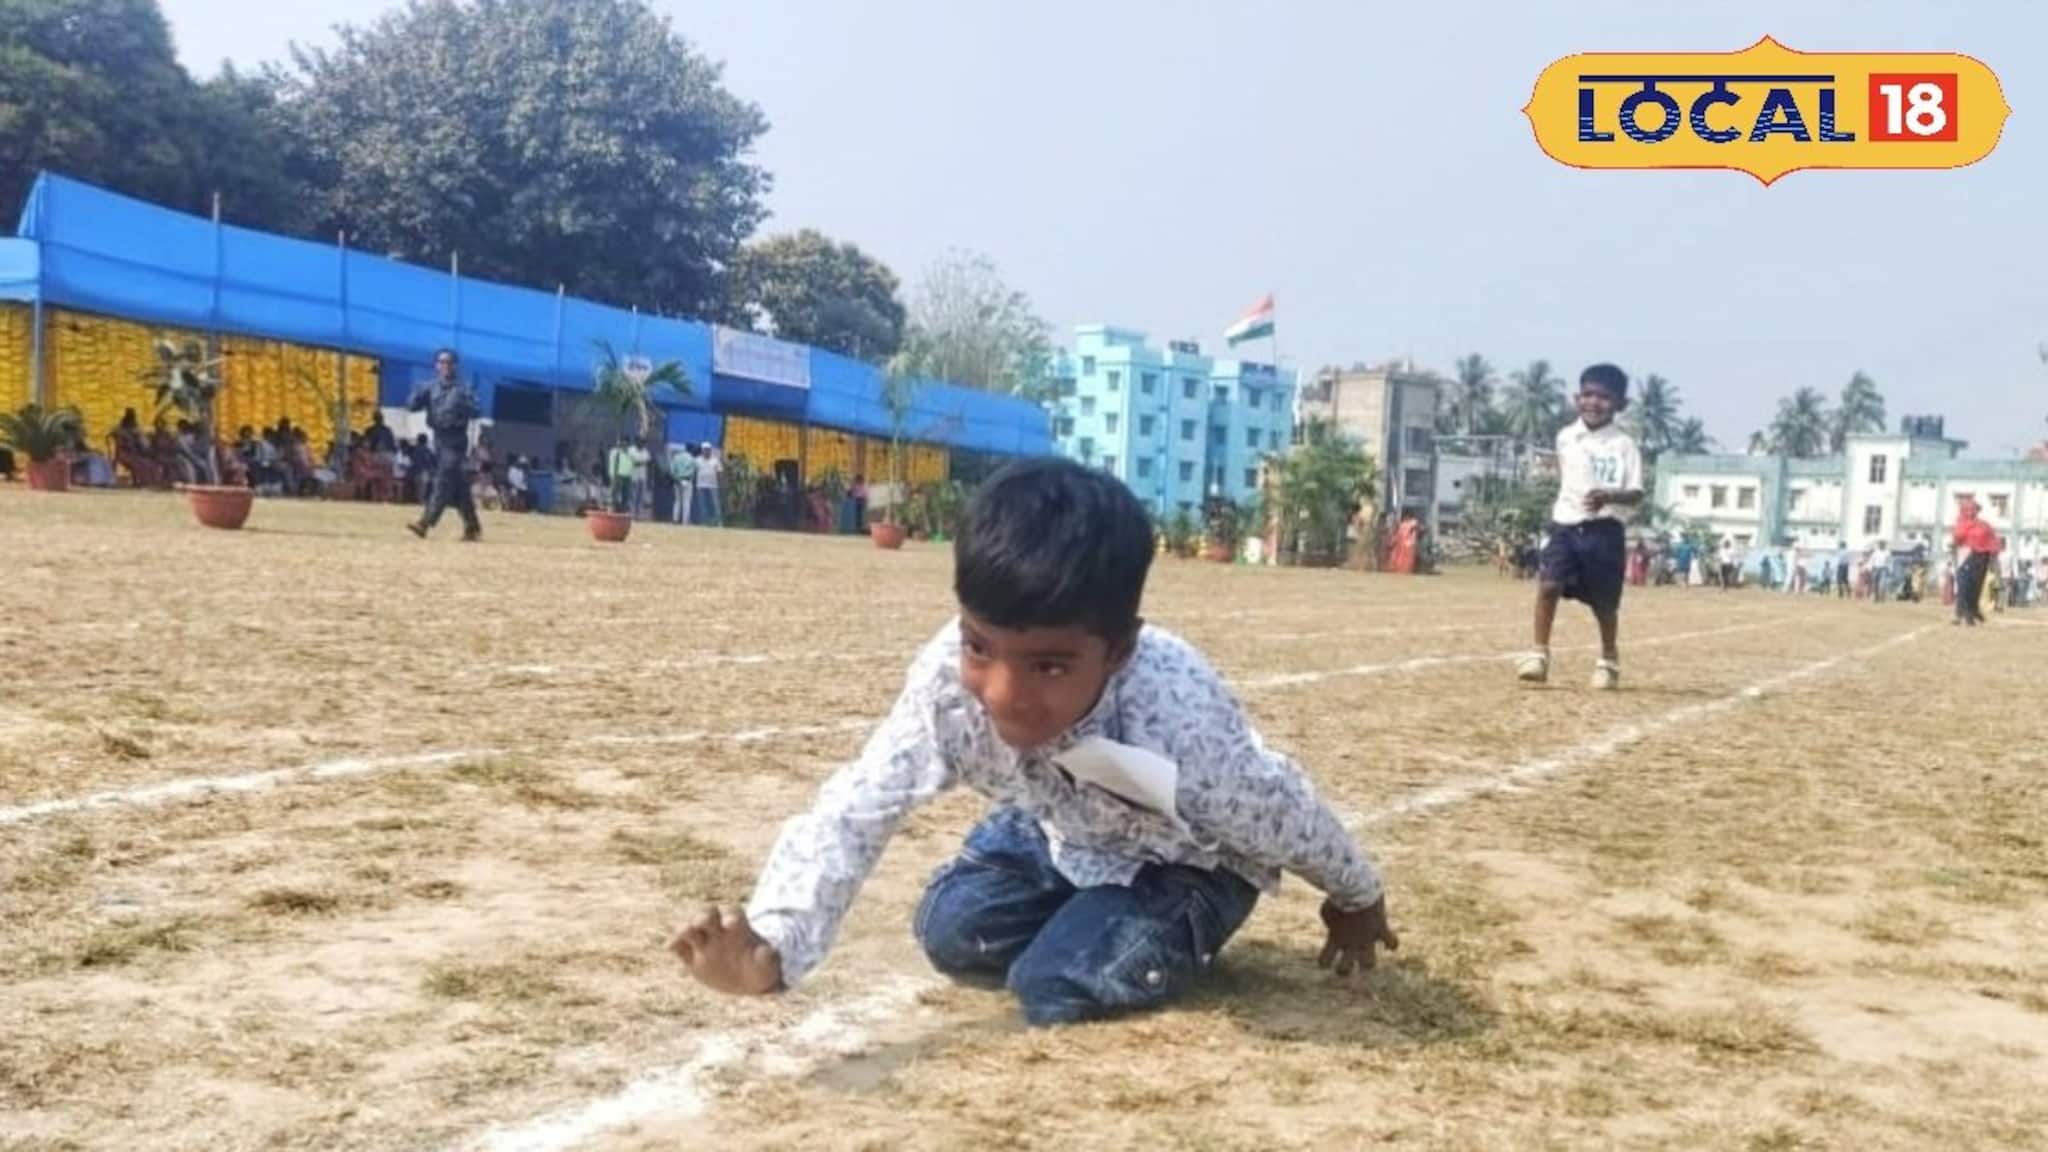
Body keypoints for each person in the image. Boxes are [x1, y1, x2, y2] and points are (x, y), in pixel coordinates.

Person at [668, 457, 1399, 1026]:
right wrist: (774, 946)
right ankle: (1083, 909)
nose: (1005, 695)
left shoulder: (1176, 729)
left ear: (1117, 653)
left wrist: (1357, 893)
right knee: (949, 933)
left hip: (1181, 860)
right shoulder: (947, 692)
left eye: (1048, 665)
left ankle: (1163, 929)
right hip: (1060, 825)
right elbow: (858, 806)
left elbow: (1277, 806)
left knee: (1050, 985)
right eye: (980, 646)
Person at [1517, 364, 1643, 690]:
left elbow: (1637, 493)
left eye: (1604, 397)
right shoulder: (1566, 437)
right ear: (1577, 398)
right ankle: (1538, 654)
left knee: (1604, 604)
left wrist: (1610, 495)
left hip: (1605, 530)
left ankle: (1608, 659)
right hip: (1566, 524)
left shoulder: (1624, 445)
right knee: (1548, 586)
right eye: (1588, 394)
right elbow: (1568, 478)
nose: (1594, 402)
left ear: (1620, 404)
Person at [406, 348, 484, 541]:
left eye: (449, 362)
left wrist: (465, 405)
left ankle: (424, 523)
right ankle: (472, 527)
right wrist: (416, 395)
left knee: (442, 481)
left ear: (455, 366)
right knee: (458, 488)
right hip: (438, 440)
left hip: (456, 441)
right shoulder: (430, 388)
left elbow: (477, 411)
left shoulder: (463, 389)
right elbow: (411, 406)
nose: (445, 366)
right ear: (436, 365)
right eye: (441, 362)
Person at [1951, 497, 1996, 626]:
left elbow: (1992, 540)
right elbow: (1957, 537)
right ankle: (1963, 613)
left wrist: (1992, 556)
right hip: (1966, 555)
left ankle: (1972, 610)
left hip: (1982, 556)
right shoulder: (1961, 523)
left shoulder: (1984, 525)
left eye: (1974, 509)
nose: (1971, 511)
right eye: (1968, 509)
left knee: (1976, 586)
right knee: (1965, 585)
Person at [693, 441, 724, 526]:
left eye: (708, 449)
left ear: (710, 450)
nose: (706, 451)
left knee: (716, 504)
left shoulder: (715, 460)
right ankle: (704, 522)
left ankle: (719, 522)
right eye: (704, 449)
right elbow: (694, 471)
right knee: (702, 505)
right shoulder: (697, 460)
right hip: (700, 485)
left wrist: (721, 484)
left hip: (713, 485)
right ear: (702, 450)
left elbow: (720, 472)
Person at [669, 442, 698, 525]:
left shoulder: (677, 457)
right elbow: (693, 471)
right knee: (686, 501)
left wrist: (676, 478)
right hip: (687, 480)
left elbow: (672, 470)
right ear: (691, 449)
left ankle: (675, 519)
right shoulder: (692, 459)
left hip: (677, 480)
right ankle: (685, 521)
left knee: (677, 501)